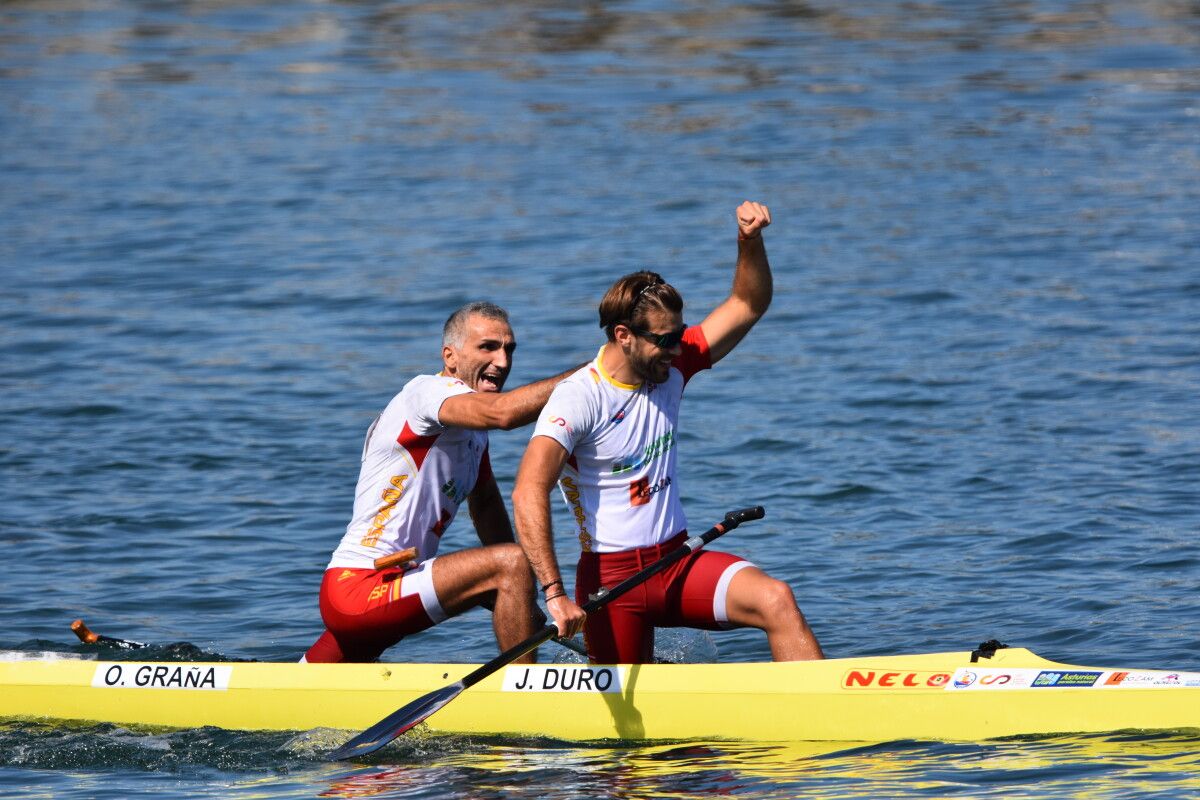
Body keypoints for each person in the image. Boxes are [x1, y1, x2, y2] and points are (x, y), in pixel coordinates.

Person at [511, 202, 825, 664]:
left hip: (677, 563)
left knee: (776, 598)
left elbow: (747, 304)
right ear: (624, 335)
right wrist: (554, 594)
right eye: (663, 339)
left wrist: (749, 242)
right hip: (610, 583)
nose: (676, 348)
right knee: (626, 736)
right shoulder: (578, 398)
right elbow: (527, 491)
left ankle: (821, 714)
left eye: (678, 335)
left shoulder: (672, 362)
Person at [303, 302, 575, 663]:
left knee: (295, 695)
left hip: (399, 586)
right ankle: (525, 693)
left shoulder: (473, 437)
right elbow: (503, 413)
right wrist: (594, 375)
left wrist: (522, 596)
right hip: (359, 588)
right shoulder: (424, 392)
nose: (503, 362)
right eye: (488, 347)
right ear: (450, 356)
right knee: (509, 564)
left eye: (509, 349)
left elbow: (487, 507)